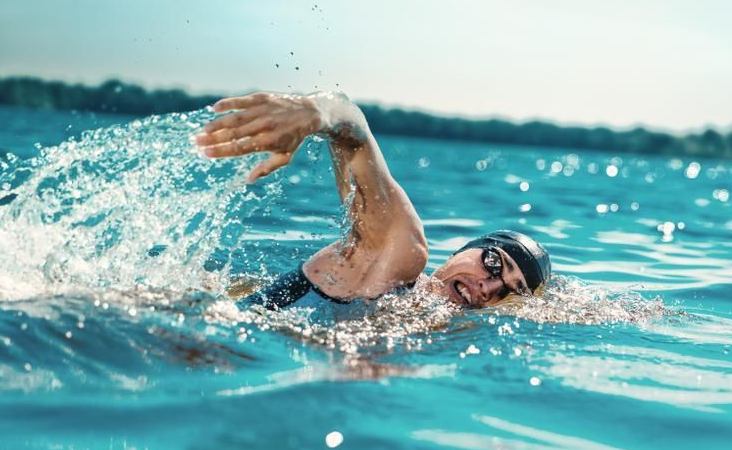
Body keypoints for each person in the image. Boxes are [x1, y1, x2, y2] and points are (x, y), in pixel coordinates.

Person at [195, 91, 551, 310]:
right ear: (464, 250)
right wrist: (315, 113)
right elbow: (353, 128)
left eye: (509, 290)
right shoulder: (400, 256)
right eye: (493, 263)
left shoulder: (425, 313)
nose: (489, 287)